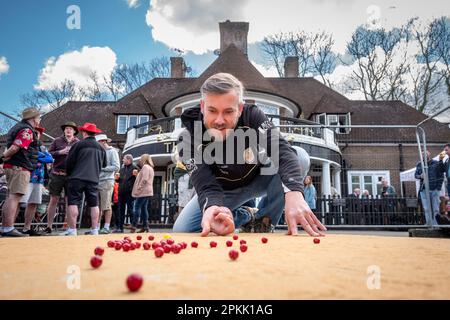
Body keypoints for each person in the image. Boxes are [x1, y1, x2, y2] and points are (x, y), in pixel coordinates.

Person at [173, 72, 326, 237]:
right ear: (202, 107)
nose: (219, 120)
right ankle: (246, 214)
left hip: (259, 178)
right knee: (183, 229)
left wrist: (295, 192)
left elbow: (281, 149)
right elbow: (204, 183)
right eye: (212, 110)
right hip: (222, 191)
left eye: (228, 112)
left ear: (239, 108)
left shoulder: (253, 115)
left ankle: (264, 219)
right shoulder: (186, 139)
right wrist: (212, 207)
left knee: (300, 156)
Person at [1, 107, 41, 237]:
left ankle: (5, 227)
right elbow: (15, 147)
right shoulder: (27, 130)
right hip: (19, 166)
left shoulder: (17, 127)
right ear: (34, 119)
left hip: (13, 165)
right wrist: (2, 157)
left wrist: (4, 158)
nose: (39, 120)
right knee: (15, 196)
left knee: (11, 196)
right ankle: (8, 228)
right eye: (38, 118)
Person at [61, 123, 106, 236]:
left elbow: (69, 162)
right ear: (95, 133)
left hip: (77, 177)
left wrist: (69, 174)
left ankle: (72, 230)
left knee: (73, 203)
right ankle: (95, 229)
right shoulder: (101, 148)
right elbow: (104, 164)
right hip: (93, 179)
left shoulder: (78, 145)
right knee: (94, 204)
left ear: (84, 132)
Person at [44, 121, 79, 234]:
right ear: (64, 130)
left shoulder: (78, 142)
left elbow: (81, 157)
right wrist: (60, 152)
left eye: (70, 128)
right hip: (57, 174)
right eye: (66, 128)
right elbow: (48, 154)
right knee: (54, 199)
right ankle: (49, 226)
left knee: (70, 201)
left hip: (71, 176)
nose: (68, 130)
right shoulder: (57, 141)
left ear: (74, 131)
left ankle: (70, 227)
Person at [20, 126, 54, 236]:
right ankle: (8, 227)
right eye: (34, 132)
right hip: (27, 177)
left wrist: (39, 156)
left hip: (39, 179)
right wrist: (40, 156)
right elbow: (29, 156)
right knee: (18, 202)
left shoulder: (43, 148)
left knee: (33, 202)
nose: (36, 135)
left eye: (38, 133)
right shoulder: (26, 145)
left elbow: (50, 159)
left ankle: (27, 227)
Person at [95, 134, 120, 234]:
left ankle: (106, 227)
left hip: (107, 181)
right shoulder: (98, 152)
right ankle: (95, 227)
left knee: (106, 205)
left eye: (97, 142)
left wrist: (102, 168)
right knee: (97, 206)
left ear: (103, 141)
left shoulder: (112, 151)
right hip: (97, 181)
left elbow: (116, 167)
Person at [415, 150, 445, 225]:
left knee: (435, 208)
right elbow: (415, 175)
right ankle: (429, 223)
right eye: (422, 155)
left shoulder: (435, 163)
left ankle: (436, 224)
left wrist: (438, 188)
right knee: (426, 208)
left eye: (425, 154)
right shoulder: (419, 164)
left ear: (429, 154)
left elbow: (441, 176)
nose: (424, 156)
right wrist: (420, 176)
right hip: (423, 189)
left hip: (434, 188)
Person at [114, 154, 138, 233]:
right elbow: (119, 180)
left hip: (129, 192)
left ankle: (133, 227)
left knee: (131, 210)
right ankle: (120, 228)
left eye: (124, 159)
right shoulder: (122, 168)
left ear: (129, 160)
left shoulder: (135, 168)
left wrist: (136, 175)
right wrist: (117, 179)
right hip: (121, 192)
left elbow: (138, 179)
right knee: (120, 210)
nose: (122, 160)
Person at [131, 154, 154, 233]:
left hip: (143, 191)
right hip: (148, 191)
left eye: (141, 158)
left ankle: (134, 225)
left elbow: (144, 179)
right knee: (144, 209)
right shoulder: (150, 168)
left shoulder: (145, 167)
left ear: (144, 159)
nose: (140, 160)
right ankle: (145, 226)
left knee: (137, 207)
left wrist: (139, 188)